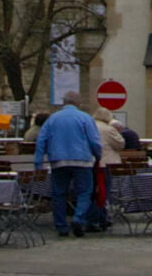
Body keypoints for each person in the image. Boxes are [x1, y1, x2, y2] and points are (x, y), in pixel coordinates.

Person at [33, 95, 104, 239]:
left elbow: (41, 140)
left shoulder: (52, 119)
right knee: (84, 192)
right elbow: (94, 140)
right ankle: (78, 218)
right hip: (82, 160)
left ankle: (61, 226)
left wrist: (38, 162)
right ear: (78, 103)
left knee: (59, 194)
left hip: (58, 161)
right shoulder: (85, 118)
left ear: (63, 103)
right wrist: (98, 155)